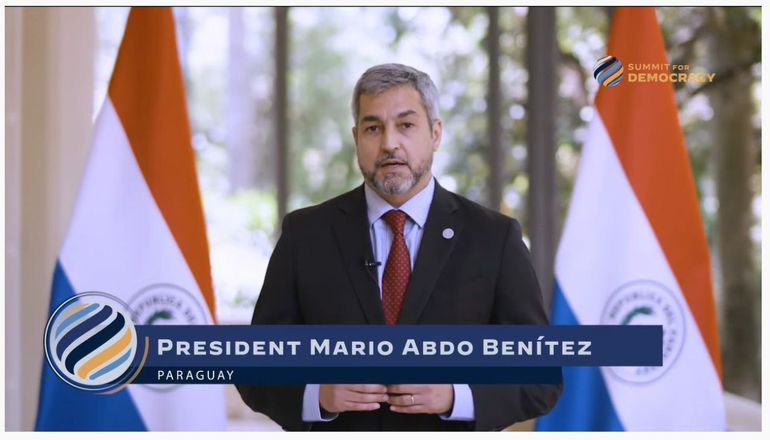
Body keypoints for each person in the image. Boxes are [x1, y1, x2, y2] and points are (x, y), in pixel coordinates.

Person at [237, 63, 561, 431]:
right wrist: (317, 395)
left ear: (435, 134)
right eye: (374, 128)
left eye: (406, 125)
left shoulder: (494, 238)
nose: (390, 143)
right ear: (357, 137)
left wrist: (455, 395)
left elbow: (541, 377)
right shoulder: (305, 234)